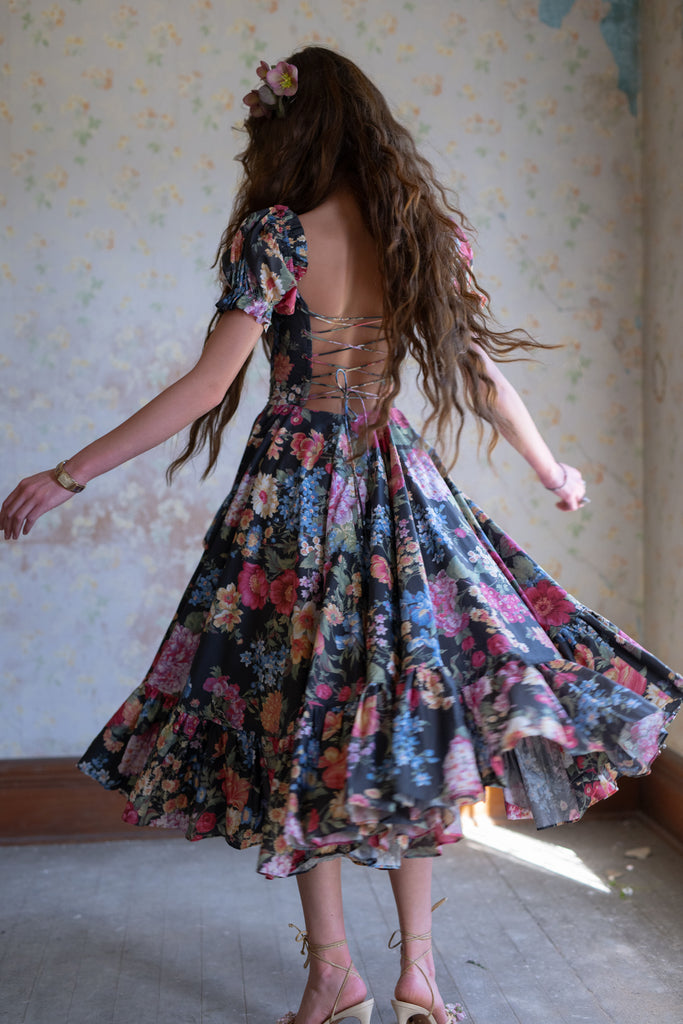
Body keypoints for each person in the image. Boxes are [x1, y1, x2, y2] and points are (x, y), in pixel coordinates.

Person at [1, 46, 681, 1024]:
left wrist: (68, 474)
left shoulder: (276, 235)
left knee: (302, 716)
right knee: (408, 716)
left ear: (291, 131)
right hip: (397, 485)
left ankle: (332, 974)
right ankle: (418, 977)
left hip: (295, 503)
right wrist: (550, 468)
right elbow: (479, 372)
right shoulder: (418, 231)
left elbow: (206, 387)